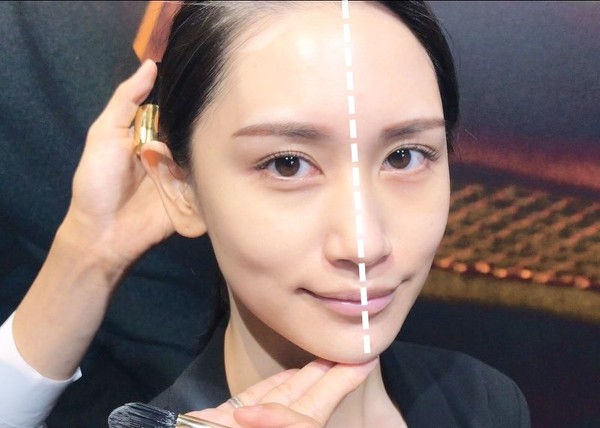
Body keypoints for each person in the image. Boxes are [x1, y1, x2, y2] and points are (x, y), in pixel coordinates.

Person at [0, 1, 530, 427]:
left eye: (404, 156)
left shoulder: (484, 401)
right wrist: (89, 249)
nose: (364, 243)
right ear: (180, 186)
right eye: (287, 164)